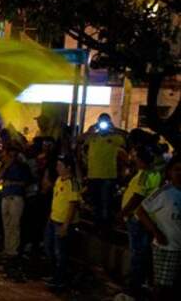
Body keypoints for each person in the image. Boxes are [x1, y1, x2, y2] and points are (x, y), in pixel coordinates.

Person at [136, 155, 181, 301]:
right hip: (166, 248)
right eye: (177, 169)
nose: (180, 173)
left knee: (174, 287)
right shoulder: (164, 192)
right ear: (169, 172)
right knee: (162, 287)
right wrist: (156, 232)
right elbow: (141, 211)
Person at [115, 145, 162, 301]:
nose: (133, 158)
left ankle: (134, 286)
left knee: (138, 253)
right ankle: (141, 283)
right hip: (142, 218)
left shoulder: (145, 175)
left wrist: (122, 213)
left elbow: (137, 196)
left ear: (141, 159)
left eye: (135, 156)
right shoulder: (153, 173)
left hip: (137, 219)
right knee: (142, 252)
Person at [82, 113, 127, 230]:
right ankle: (97, 225)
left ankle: (106, 226)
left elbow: (126, 137)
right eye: (101, 121)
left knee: (106, 202)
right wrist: (90, 130)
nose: (103, 124)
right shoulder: (92, 137)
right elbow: (79, 139)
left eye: (106, 121)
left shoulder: (115, 137)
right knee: (95, 202)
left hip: (108, 176)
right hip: (93, 176)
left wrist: (113, 129)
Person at [44, 155, 81, 291]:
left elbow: (73, 204)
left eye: (60, 165)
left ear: (68, 167)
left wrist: (66, 225)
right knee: (49, 248)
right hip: (53, 219)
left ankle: (60, 280)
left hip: (63, 223)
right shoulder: (59, 180)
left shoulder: (73, 183)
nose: (57, 168)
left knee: (60, 253)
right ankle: (55, 275)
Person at [0, 144, 32, 261]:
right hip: (5, 196)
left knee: (14, 224)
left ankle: (13, 250)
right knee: (6, 224)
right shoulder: (4, 166)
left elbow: (27, 182)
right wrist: (6, 167)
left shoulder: (22, 166)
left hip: (16, 197)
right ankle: (7, 248)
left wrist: (12, 183)